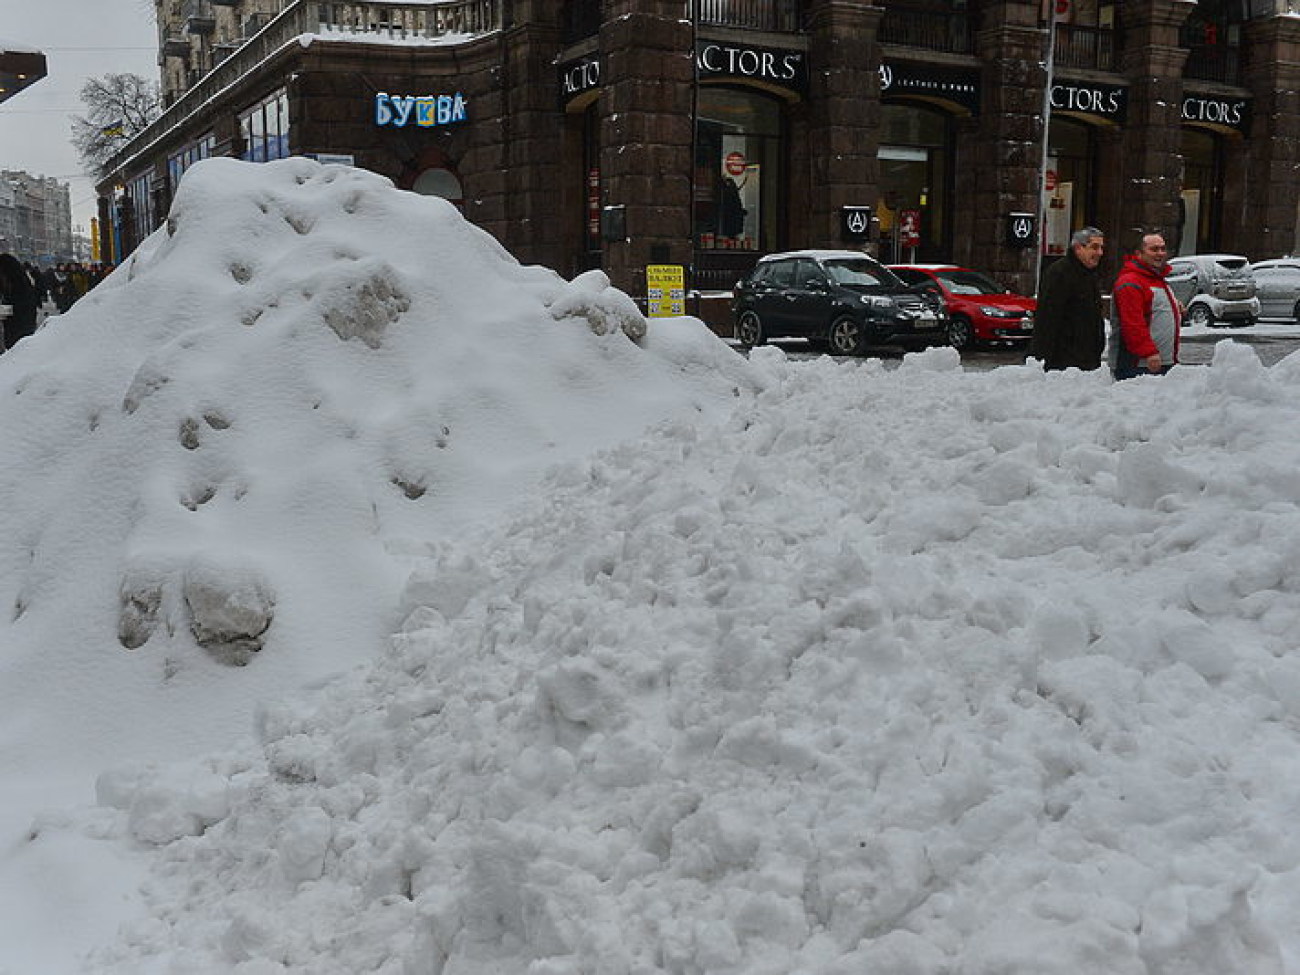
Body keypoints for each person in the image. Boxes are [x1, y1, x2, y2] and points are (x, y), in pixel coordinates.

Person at [1030, 226, 1106, 370]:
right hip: (1063, 362)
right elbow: (1047, 319)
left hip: (1087, 359)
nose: (1100, 253)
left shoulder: (1090, 275)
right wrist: (1041, 357)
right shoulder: (1059, 274)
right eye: (1094, 247)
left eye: (1101, 248)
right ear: (1078, 248)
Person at [1109, 231, 1181, 379]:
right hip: (1140, 365)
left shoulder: (1158, 280)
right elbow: (1132, 323)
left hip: (1160, 362)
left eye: (1162, 248)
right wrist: (1148, 352)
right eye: (1154, 249)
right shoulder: (1131, 282)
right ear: (1139, 254)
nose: (1160, 253)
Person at [0, 253, 39, 350]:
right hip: (10, 329)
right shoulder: (8, 283)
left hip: (21, 329)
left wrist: (4, 310)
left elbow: (24, 306)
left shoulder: (21, 285)